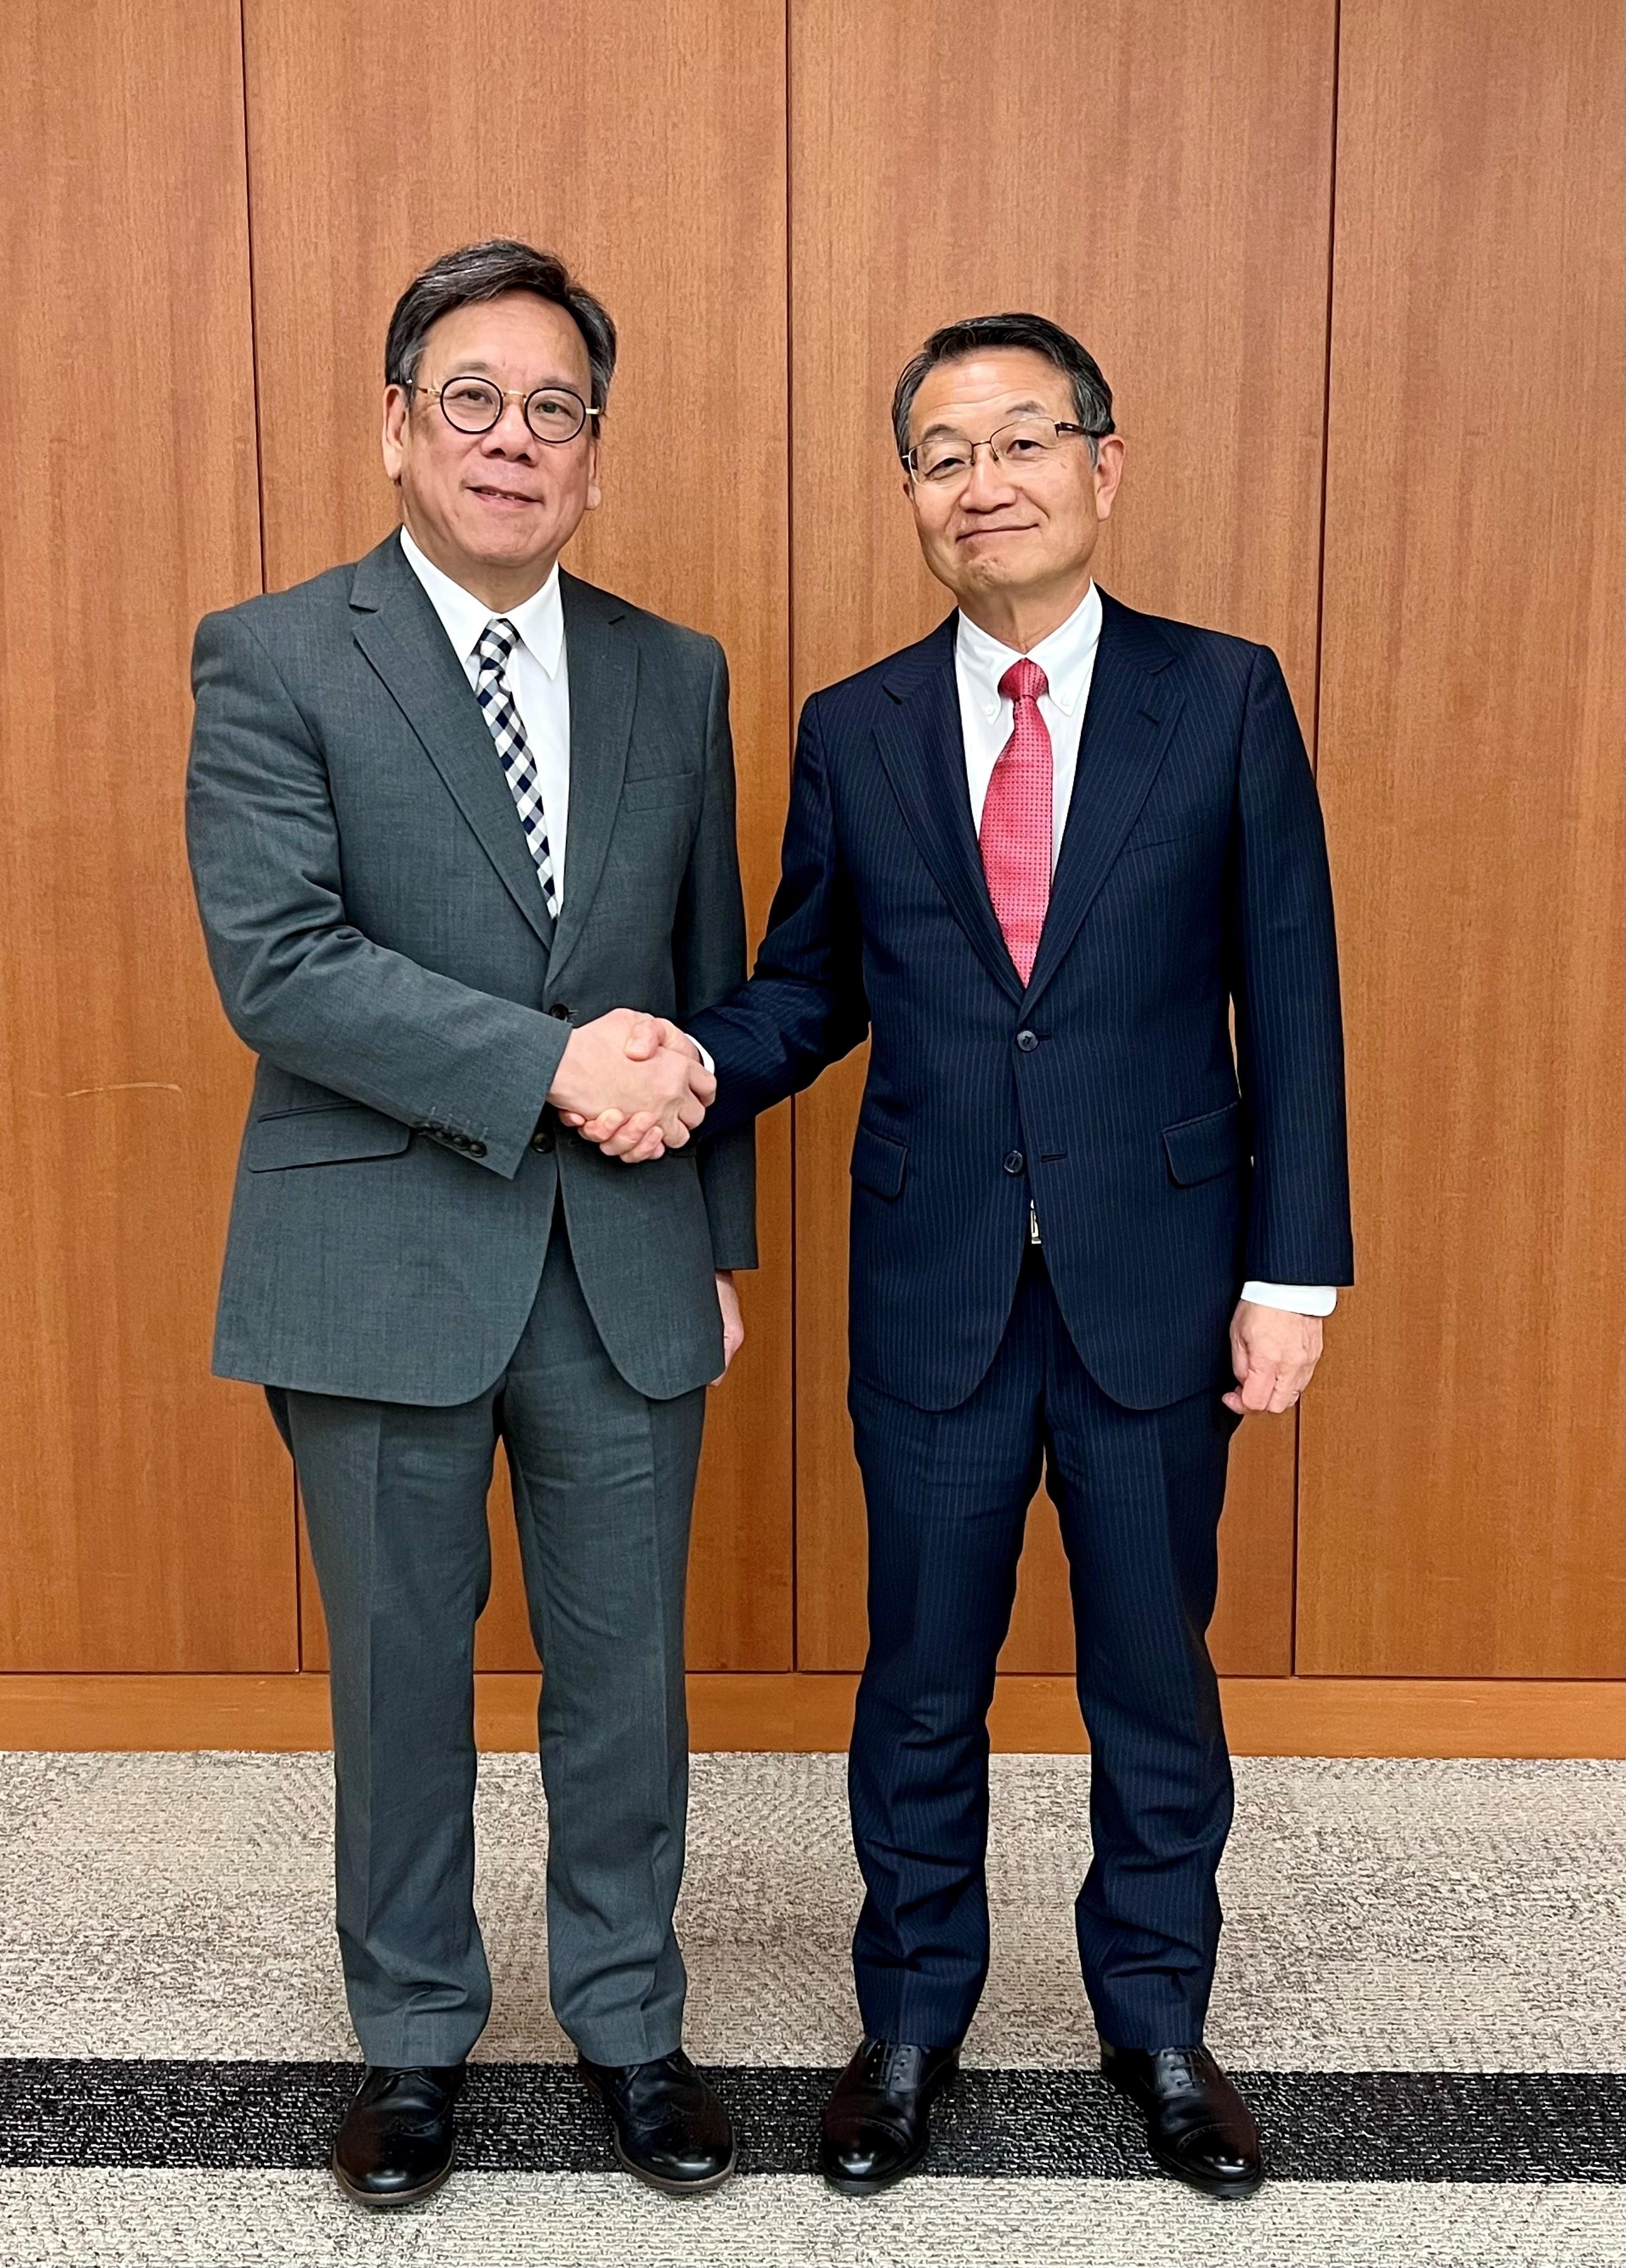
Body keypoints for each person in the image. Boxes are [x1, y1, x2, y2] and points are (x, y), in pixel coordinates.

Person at [570, 312, 1353, 2200]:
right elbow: (809, 987)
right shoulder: (859, 728)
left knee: (1153, 1668)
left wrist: (1294, 1275)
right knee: (919, 1672)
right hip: (935, 1283)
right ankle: (909, 2021)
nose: (982, 483)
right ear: (911, 495)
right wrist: (691, 1063)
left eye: (1021, 441)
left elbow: (1293, 995)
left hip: (1160, 1279)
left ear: (1102, 463)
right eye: (942, 454)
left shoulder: (1223, 695)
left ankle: (1157, 2023)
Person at [186, 239, 753, 2207]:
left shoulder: (677, 671)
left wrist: (720, 1246)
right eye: (474, 400)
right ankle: (416, 2036)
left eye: (556, 408)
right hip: (374, 1263)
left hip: (625, 1262)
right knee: (400, 1673)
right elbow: (281, 965)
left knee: (628, 1680)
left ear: (595, 449)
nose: (516, 439)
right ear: (399, 426)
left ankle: (630, 2022)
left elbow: (703, 974)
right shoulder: (273, 655)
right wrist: (550, 1066)